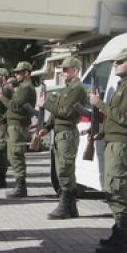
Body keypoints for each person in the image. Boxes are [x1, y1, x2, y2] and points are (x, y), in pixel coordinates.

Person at [90, 48, 127, 253]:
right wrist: (102, 132)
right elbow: (115, 119)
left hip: (122, 145)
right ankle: (118, 233)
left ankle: (122, 237)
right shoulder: (123, 86)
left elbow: (123, 118)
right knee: (111, 188)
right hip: (113, 142)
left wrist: (100, 104)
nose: (115, 65)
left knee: (117, 188)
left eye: (120, 62)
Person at [36, 56, 86, 219]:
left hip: (67, 133)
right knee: (63, 170)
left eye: (66, 69)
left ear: (76, 70)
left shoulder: (77, 89)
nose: (63, 72)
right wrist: (47, 127)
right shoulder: (67, 88)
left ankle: (65, 206)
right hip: (59, 133)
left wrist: (46, 103)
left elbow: (65, 112)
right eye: (63, 69)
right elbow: (56, 113)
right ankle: (71, 207)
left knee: (65, 170)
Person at [0, 62, 36, 197]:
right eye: (16, 72)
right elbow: (12, 109)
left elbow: (15, 107)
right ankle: (19, 184)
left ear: (26, 73)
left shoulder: (26, 88)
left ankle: (21, 186)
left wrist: (1, 97)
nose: (16, 75)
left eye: (19, 72)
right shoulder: (21, 87)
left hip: (18, 125)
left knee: (16, 154)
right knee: (12, 154)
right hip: (14, 124)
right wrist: (4, 118)